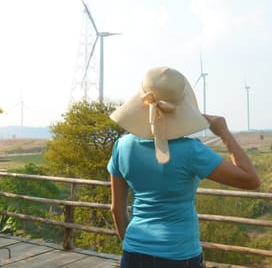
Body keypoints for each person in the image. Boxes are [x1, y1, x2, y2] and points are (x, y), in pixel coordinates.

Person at [107, 66, 260, 268]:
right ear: (182, 105)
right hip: (179, 255)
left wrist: (130, 244)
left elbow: (117, 210)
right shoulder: (192, 151)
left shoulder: (122, 146)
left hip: (134, 252)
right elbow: (250, 180)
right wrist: (224, 133)